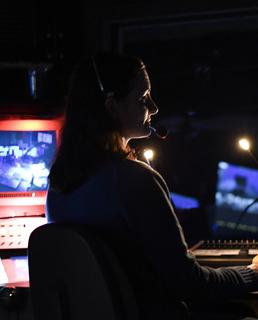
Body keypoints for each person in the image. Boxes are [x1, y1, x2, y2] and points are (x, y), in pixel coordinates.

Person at [46, 51, 258, 320]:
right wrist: (251, 274)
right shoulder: (134, 179)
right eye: (143, 98)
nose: (155, 108)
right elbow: (190, 284)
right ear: (112, 106)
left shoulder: (57, 185)